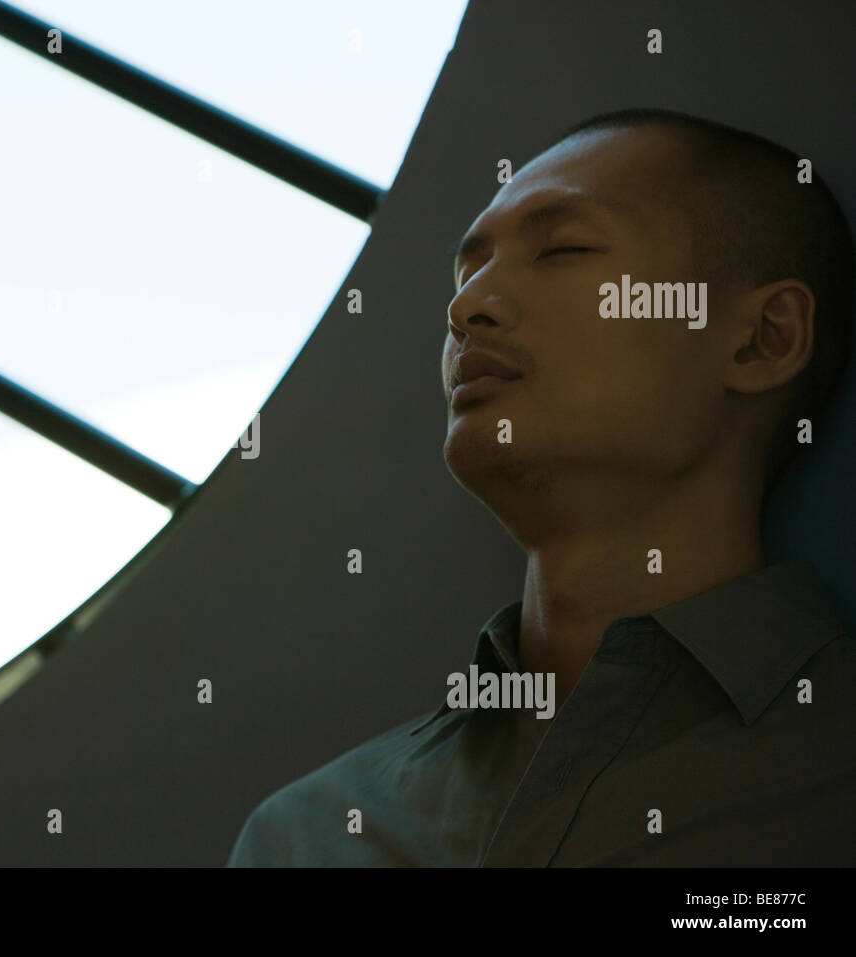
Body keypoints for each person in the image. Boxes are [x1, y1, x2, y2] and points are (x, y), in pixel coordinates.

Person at [227, 108, 855, 866]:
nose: (466, 310)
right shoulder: (308, 835)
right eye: (466, 273)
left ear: (763, 339)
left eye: (565, 248)